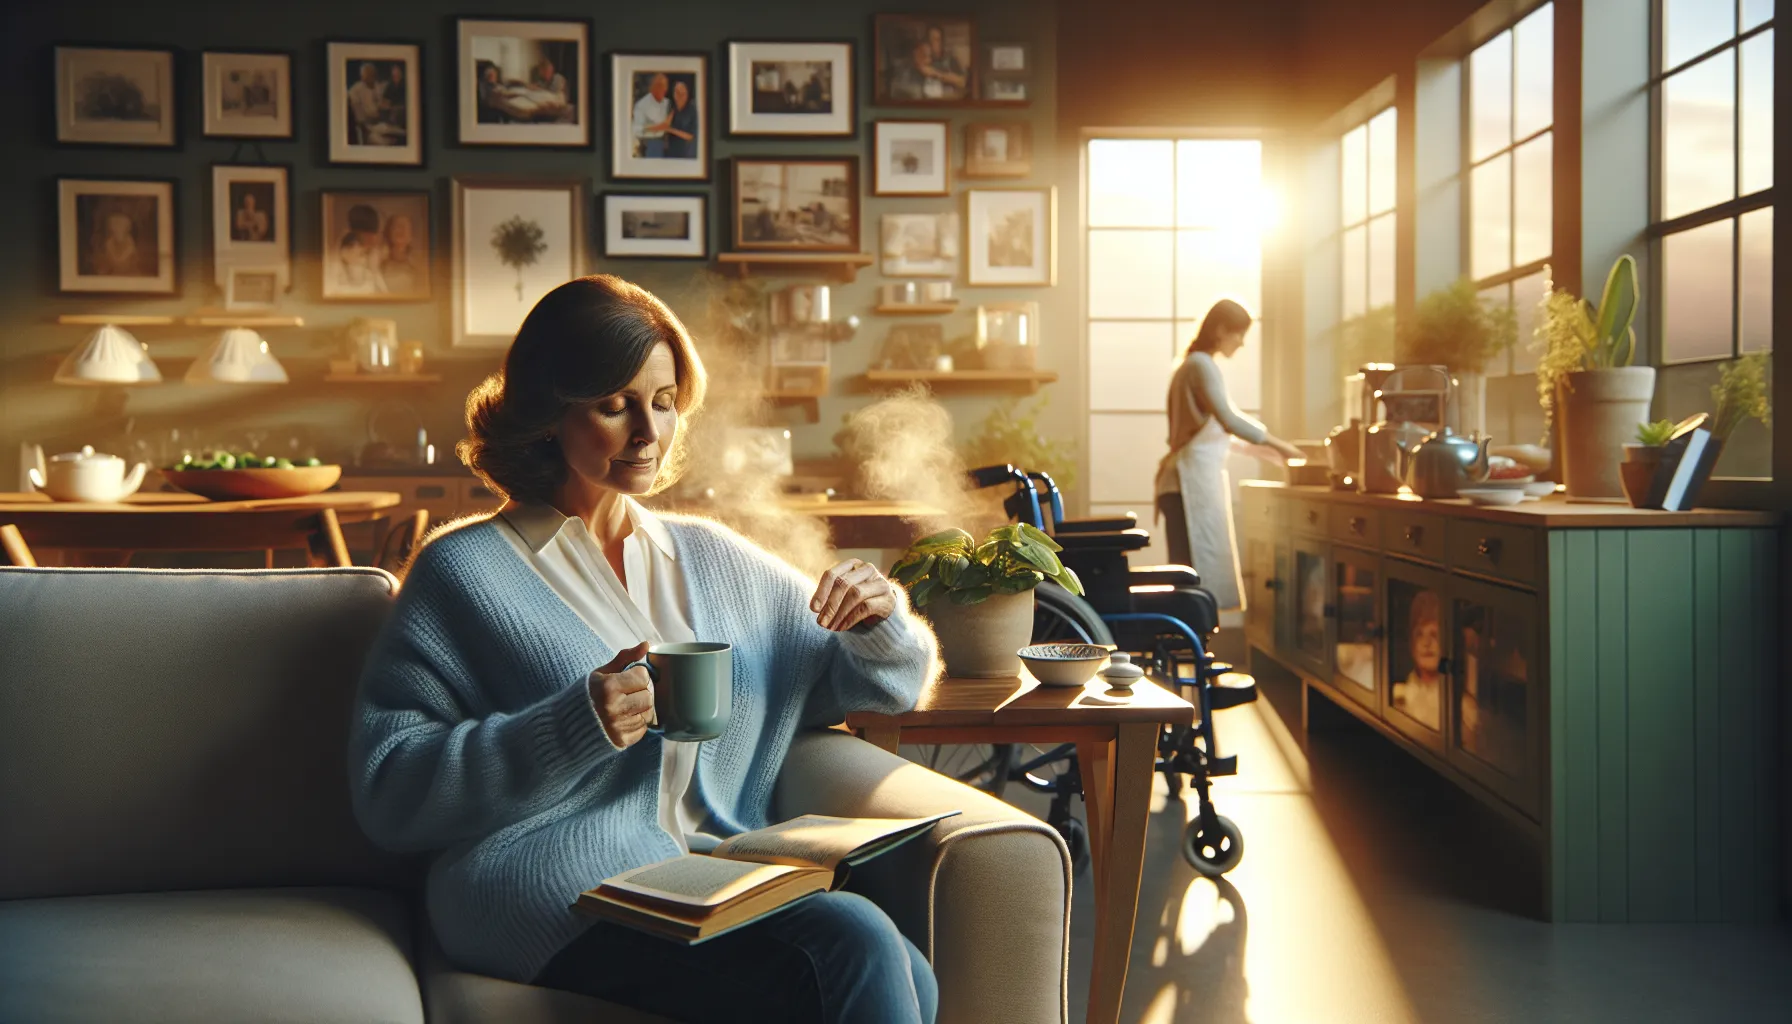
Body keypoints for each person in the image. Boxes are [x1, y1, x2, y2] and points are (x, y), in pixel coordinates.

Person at [347, 275, 939, 1024]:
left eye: (662, 403)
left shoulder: (712, 556)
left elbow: (884, 686)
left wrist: (875, 618)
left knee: (907, 964)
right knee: (848, 945)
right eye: (614, 404)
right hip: (543, 883)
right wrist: (568, 728)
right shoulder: (462, 570)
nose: (648, 432)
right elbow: (390, 792)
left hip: (706, 873)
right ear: (547, 413)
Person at [1153, 299, 1304, 610]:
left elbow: (1217, 436)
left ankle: (1190, 648)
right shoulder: (1200, 365)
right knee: (1190, 574)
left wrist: (1268, 453)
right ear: (1221, 329)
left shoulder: (1194, 364)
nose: (1242, 342)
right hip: (1185, 485)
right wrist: (1281, 446)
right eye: (1239, 333)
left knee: (1193, 572)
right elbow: (1229, 419)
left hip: (1185, 483)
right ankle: (1187, 648)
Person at [1393, 589, 1442, 728]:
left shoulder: (1462, 708)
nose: (1426, 643)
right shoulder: (1401, 695)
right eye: (1419, 634)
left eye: (1434, 635)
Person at [346, 62, 389, 145]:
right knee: (380, 142)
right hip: (367, 128)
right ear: (362, 77)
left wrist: (384, 106)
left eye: (372, 75)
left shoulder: (378, 86)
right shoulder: (356, 90)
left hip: (381, 124)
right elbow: (359, 117)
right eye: (367, 75)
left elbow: (382, 103)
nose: (371, 78)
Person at [632, 72, 671, 158]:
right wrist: (657, 127)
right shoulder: (641, 105)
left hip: (670, 144)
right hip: (650, 145)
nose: (664, 89)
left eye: (665, 85)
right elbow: (636, 130)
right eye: (660, 85)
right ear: (652, 87)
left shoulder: (668, 103)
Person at [378, 213, 418, 295]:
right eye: (397, 226)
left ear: (411, 235)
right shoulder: (378, 264)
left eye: (405, 226)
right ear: (388, 233)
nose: (401, 229)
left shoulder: (419, 266)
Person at [663, 79, 698, 158]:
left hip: (686, 154)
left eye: (682, 93)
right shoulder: (671, 108)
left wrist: (671, 130)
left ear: (687, 94)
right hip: (671, 154)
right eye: (677, 92)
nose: (680, 96)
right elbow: (665, 126)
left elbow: (691, 136)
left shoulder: (692, 110)